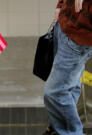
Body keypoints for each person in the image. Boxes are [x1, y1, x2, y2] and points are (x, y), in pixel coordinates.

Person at [43, 0, 92, 135]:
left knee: (55, 92)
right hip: (66, 24)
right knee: (70, 87)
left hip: (80, 36)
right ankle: (58, 129)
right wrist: (60, 5)